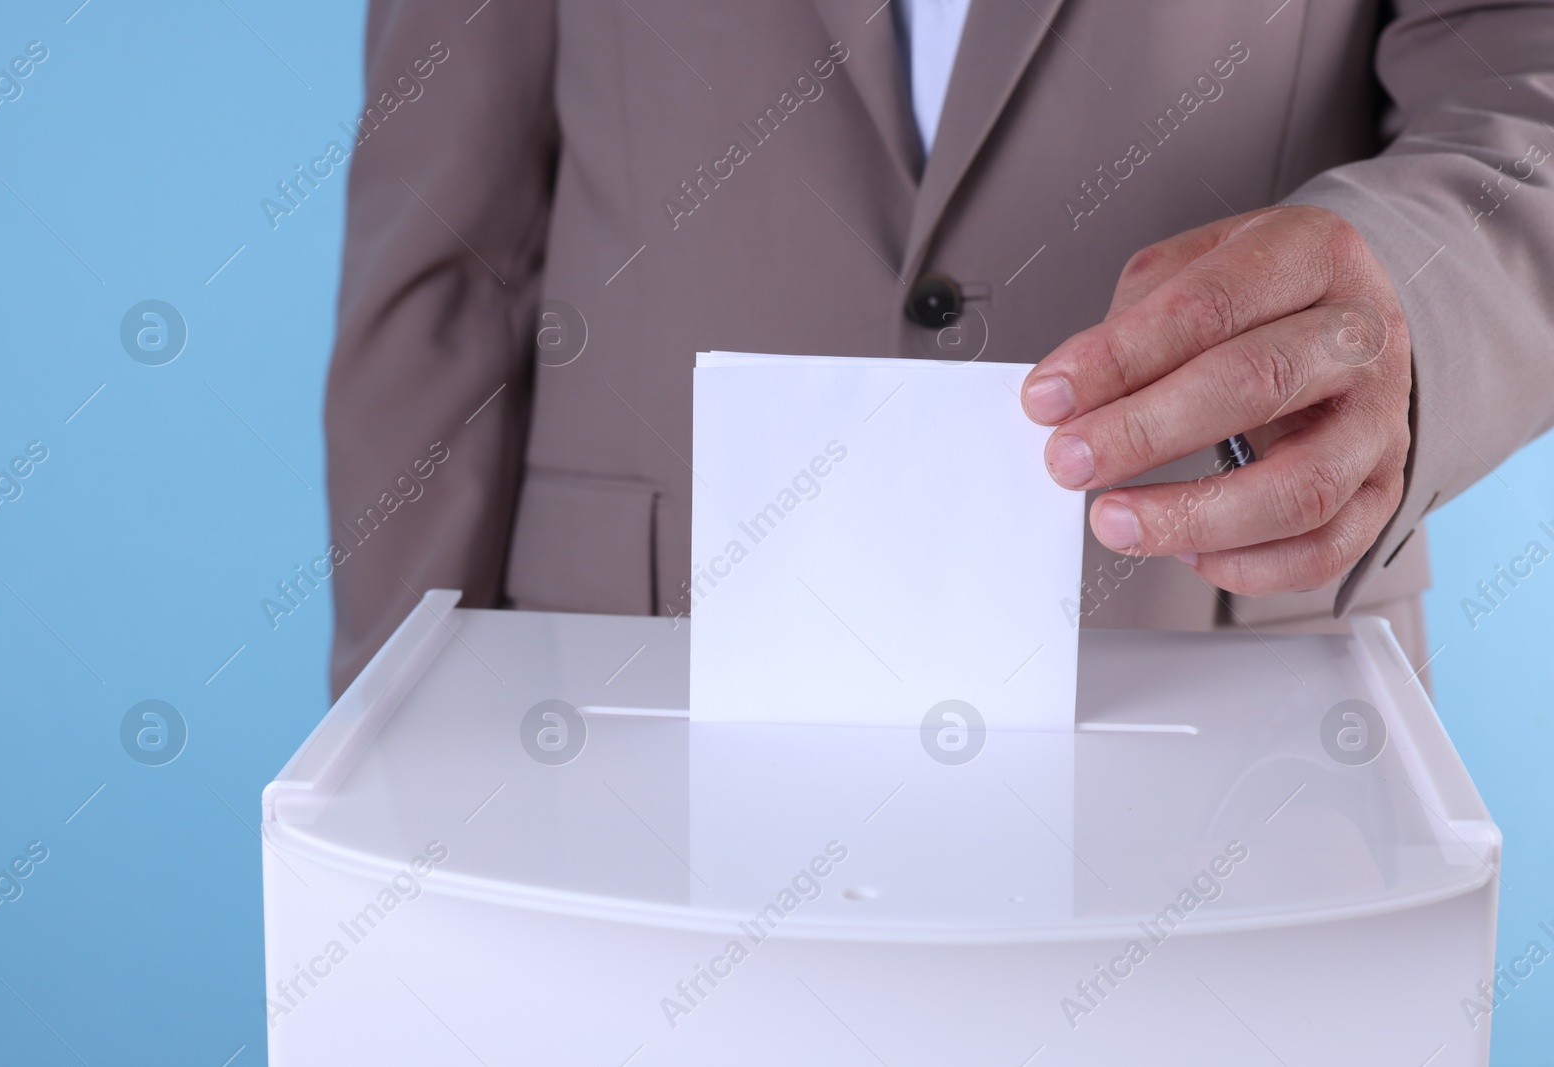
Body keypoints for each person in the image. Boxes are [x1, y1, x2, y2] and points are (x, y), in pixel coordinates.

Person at [324, 0, 1554, 697]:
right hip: (617, 676)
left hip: (1226, 685)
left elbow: (1527, 84)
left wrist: (1407, 302)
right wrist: (385, 746)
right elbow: (451, 249)